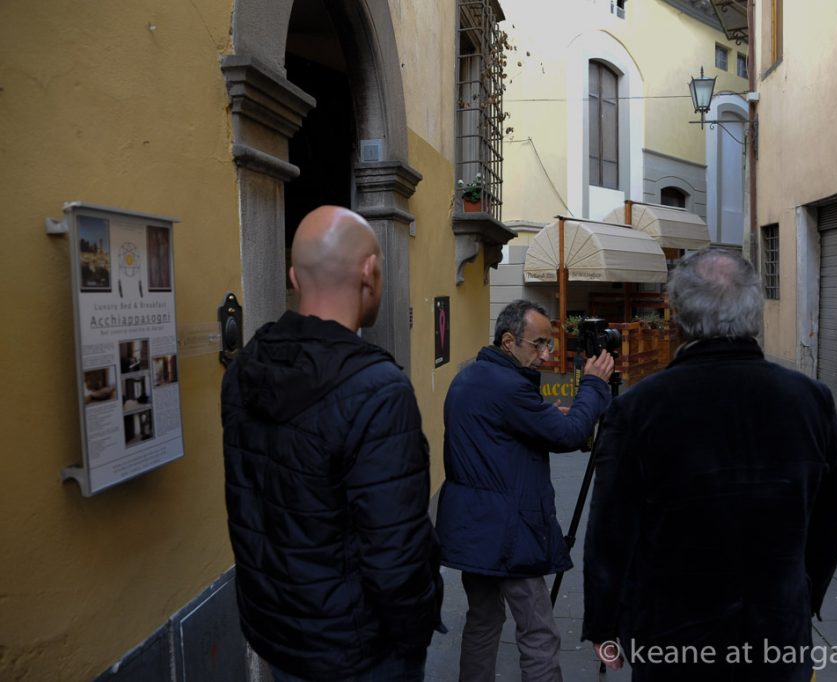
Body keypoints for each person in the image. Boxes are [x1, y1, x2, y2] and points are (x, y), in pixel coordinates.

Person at [582, 248, 837, 682]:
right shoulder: (810, 400)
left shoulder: (639, 408)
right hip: (777, 634)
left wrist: (604, 622)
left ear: (679, 317)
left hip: (673, 639)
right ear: (755, 314)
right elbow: (832, 521)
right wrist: (802, 595)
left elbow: (611, 531)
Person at [221, 206, 442, 682]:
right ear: (369, 272)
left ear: (293, 277)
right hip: (357, 652)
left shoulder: (244, 369)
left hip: (278, 636)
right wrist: (413, 638)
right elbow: (395, 556)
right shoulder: (379, 390)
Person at [437, 299, 615, 681]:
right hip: (509, 532)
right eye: (539, 344)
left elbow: (503, 434)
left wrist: (542, 417)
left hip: (473, 529)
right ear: (508, 341)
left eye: (549, 344)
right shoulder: (508, 387)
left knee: (483, 620)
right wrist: (594, 385)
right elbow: (570, 435)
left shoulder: (470, 377)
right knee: (539, 633)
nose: (546, 355)